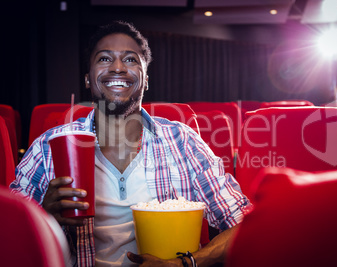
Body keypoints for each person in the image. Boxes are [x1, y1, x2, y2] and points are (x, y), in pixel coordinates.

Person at [10, 20, 250, 266]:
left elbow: (247, 225)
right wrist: (44, 217)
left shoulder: (183, 141)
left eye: (131, 59)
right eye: (104, 59)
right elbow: (8, 235)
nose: (117, 68)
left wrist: (186, 264)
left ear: (145, 80)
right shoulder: (48, 146)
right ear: (87, 79)